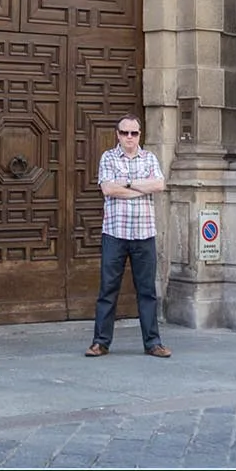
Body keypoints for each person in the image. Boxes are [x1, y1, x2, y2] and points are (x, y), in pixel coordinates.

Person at [86, 115, 170, 358]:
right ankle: (100, 342)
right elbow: (108, 189)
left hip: (144, 234)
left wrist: (129, 183)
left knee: (147, 291)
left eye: (134, 133)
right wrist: (138, 189)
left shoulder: (150, 158)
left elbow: (159, 185)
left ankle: (153, 343)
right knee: (108, 289)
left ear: (140, 134)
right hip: (115, 233)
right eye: (125, 133)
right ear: (117, 134)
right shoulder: (108, 157)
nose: (129, 138)